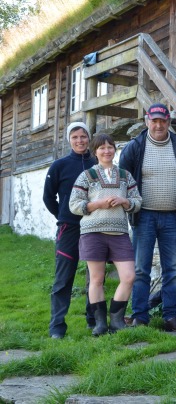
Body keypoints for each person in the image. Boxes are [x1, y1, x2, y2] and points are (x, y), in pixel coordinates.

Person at [119, 103, 176, 332]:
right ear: (147, 121)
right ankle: (140, 316)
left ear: (168, 122)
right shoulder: (135, 147)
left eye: (162, 121)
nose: (158, 125)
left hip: (172, 217)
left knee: (173, 268)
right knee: (141, 269)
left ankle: (171, 317)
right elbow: (124, 181)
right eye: (154, 120)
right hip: (144, 216)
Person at [69, 134, 142, 336]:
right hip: (92, 233)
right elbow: (74, 205)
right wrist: (98, 204)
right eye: (102, 148)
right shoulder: (87, 176)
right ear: (95, 152)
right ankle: (101, 324)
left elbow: (137, 202)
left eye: (110, 147)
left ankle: (117, 321)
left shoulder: (125, 176)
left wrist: (124, 201)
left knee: (128, 276)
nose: (107, 151)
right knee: (97, 279)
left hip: (119, 233)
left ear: (115, 150)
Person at [43, 122, 96, 338]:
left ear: (88, 138)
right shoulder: (59, 165)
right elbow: (48, 197)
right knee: (63, 278)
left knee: (95, 276)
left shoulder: (96, 163)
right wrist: (63, 214)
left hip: (94, 227)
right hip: (69, 228)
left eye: (83, 136)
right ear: (69, 140)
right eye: (75, 137)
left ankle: (94, 321)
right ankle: (57, 326)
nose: (80, 140)